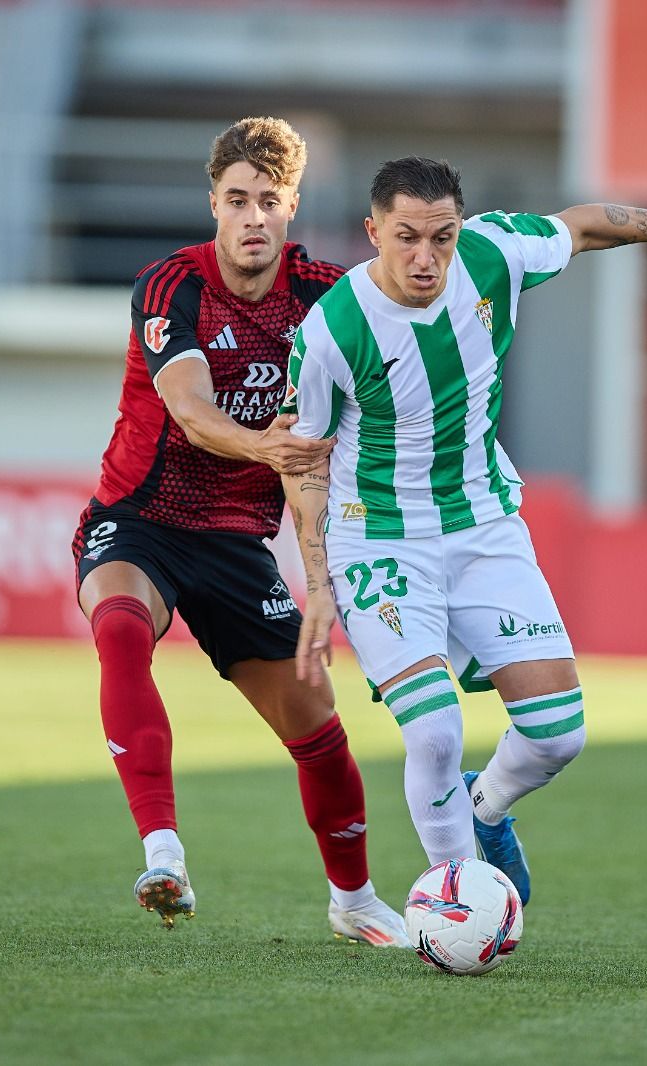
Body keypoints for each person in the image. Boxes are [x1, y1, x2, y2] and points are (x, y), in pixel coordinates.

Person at [280, 156, 647, 902]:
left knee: (557, 734)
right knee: (436, 732)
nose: (427, 258)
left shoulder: (493, 252)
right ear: (374, 231)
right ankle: (459, 898)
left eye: (442, 237)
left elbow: (581, 226)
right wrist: (318, 583)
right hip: (378, 536)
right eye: (407, 238)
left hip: (484, 524)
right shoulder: (332, 329)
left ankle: (483, 810)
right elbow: (304, 460)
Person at [71, 117, 408, 945]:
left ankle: (355, 900)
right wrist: (271, 444)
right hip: (137, 519)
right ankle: (163, 851)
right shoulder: (171, 284)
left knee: (317, 723)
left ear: (293, 207)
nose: (252, 217)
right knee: (120, 629)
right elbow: (188, 411)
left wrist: (323, 578)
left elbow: (330, 438)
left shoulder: (326, 297)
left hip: (234, 541)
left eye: (268, 201)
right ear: (213, 204)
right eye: (236, 200)